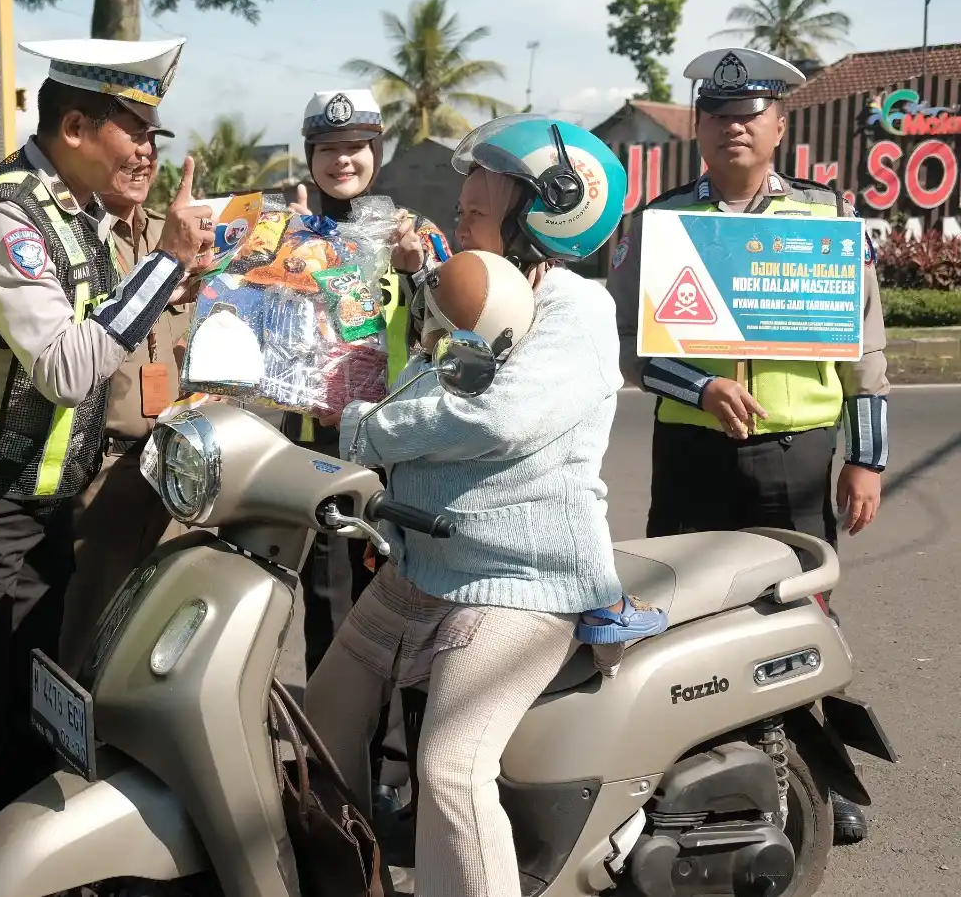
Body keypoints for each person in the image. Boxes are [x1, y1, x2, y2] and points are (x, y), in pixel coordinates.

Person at [306, 114, 664, 897]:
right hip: (425, 565)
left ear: (542, 220)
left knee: (451, 769)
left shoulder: (574, 311)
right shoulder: (478, 289)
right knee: (319, 721)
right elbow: (419, 375)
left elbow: (496, 419)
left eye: (474, 214)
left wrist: (362, 430)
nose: (458, 226)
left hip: (521, 582)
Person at [0, 37, 215, 876]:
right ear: (74, 127)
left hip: (39, 510)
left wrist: (171, 280)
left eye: (152, 134)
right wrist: (165, 262)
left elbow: (107, 327)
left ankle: (31, 873)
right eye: (133, 130)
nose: (147, 149)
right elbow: (69, 366)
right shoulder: (7, 218)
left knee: (34, 712)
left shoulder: (75, 212)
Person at [605, 46, 890, 844]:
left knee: (801, 612)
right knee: (680, 615)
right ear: (698, 128)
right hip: (692, 453)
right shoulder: (657, 224)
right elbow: (625, 345)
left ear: (779, 125)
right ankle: (678, 773)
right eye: (719, 115)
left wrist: (867, 458)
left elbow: (866, 348)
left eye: (750, 114)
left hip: (797, 451)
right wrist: (699, 387)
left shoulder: (828, 219)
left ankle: (817, 777)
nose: (735, 127)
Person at [286, 88, 453, 816]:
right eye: (328, 149)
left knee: (405, 611)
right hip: (316, 451)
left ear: (376, 153)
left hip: (398, 452)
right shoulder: (287, 235)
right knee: (329, 616)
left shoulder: (417, 234)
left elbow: (456, 327)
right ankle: (335, 776)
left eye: (355, 148)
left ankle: (398, 774)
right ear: (310, 157)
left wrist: (417, 273)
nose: (342, 161)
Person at [58, 150, 198, 677]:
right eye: (129, 140)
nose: (142, 158)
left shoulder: (175, 236)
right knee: (89, 633)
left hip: (176, 466)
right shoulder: (73, 239)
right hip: (103, 469)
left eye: (150, 144)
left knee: (164, 628)